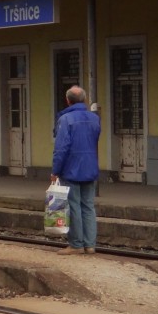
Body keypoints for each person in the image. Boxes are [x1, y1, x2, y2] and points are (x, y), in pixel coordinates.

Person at [51, 85, 101, 254]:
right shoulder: (95, 119)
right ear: (84, 100)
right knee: (88, 206)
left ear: (68, 100)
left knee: (74, 207)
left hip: (71, 169)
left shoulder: (65, 120)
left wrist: (55, 170)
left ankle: (76, 245)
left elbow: (61, 148)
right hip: (90, 167)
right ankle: (90, 245)